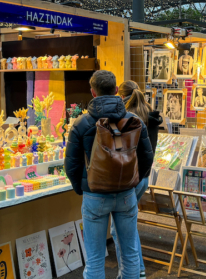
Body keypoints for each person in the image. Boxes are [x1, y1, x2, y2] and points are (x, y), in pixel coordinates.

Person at [65, 70, 154, 279]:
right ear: (115, 90)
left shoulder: (81, 124)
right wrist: (134, 180)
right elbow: (147, 157)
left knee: (95, 258)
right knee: (130, 253)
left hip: (95, 195)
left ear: (93, 92)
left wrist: (82, 188)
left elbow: (71, 165)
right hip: (126, 194)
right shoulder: (134, 120)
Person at [115, 80, 162, 279]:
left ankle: (129, 272)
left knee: (119, 228)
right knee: (129, 225)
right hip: (144, 177)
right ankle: (139, 269)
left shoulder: (127, 119)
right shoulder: (149, 114)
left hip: (130, 179)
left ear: (121, 95)